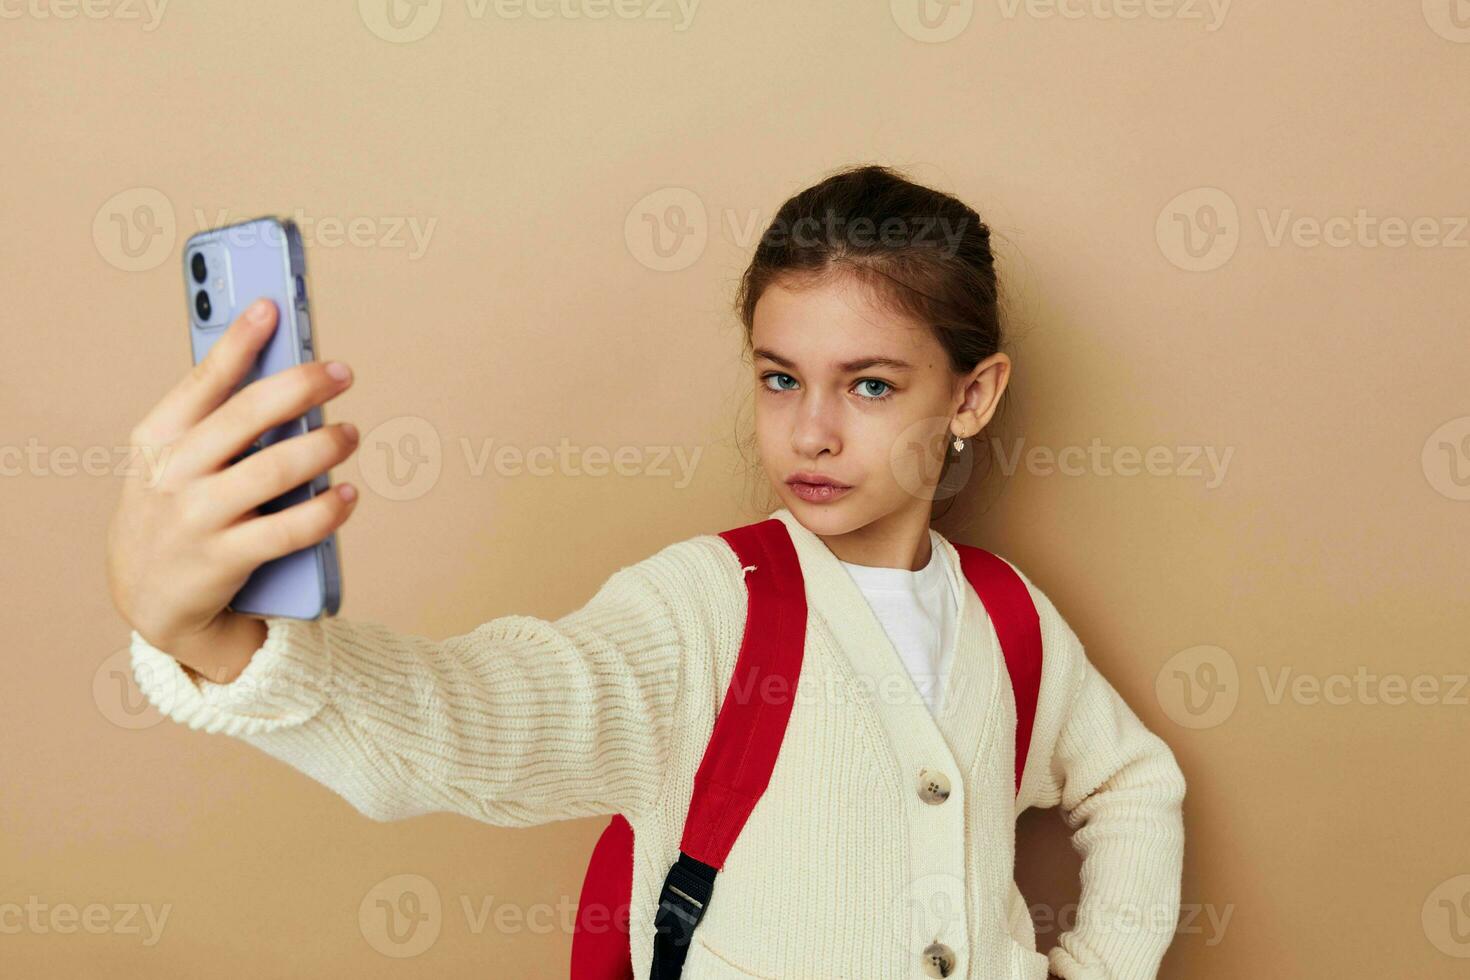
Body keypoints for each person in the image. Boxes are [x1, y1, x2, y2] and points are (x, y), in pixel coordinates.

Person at [106, 163, 1186, 979]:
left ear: (971, 396)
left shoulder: (1009, 618)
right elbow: (477, 716)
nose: (809, 431)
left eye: (868, 385)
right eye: (778, 377)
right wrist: (211, 637)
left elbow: (1133, 781)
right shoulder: (708, 609)